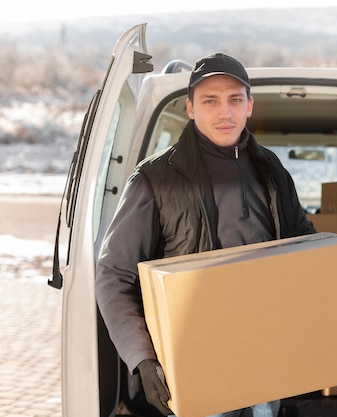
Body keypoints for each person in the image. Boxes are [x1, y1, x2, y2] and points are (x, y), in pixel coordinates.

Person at [95, 52, 316, 417]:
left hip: (264, 353)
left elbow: (302, 243)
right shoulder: (155, 179)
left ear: (250, 106)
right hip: (191, 358)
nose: (224, 112)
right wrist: (142, 359)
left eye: (234, 100)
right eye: (210, 101)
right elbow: (113, 274)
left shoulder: (272, 171)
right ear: (191, 108)